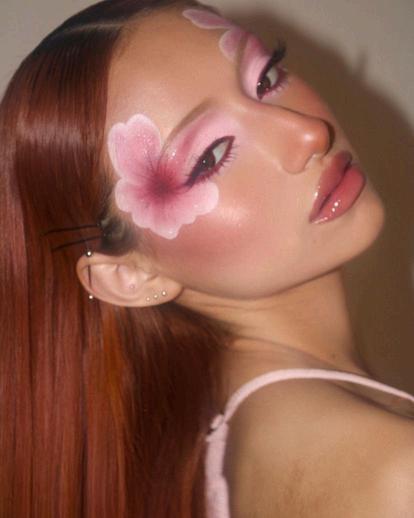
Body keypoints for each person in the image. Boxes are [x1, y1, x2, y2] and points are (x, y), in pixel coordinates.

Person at [1, 0, 414, 516]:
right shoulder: (391, 471)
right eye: (210, 157)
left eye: (266, 78)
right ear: (128, 275)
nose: (308, 133)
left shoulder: (229, 437)